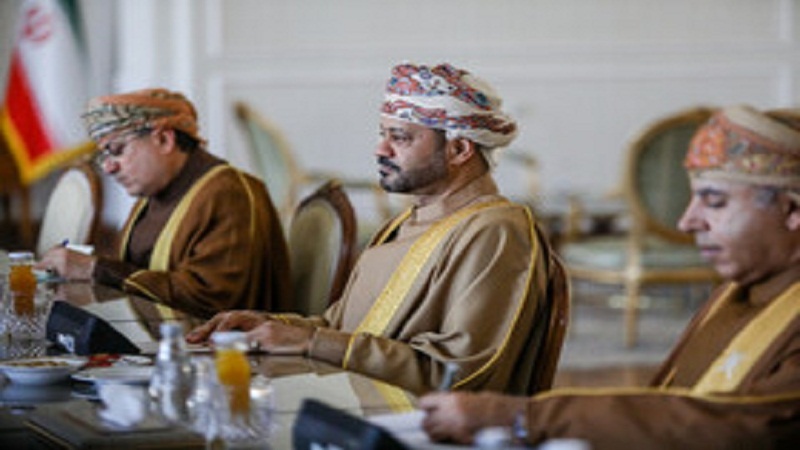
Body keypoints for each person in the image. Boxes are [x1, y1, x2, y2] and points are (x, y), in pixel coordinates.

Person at [419, 104, 800, 449]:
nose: (687, 222)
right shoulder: (740, 289)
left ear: (791, 210)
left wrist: (520, 418)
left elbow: (748, 428)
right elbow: (668, 406)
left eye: (714, 201)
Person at [187, 62, 567, 395]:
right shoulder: (406, 221)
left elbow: (456, 375)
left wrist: (312, 340)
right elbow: (342, 329)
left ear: (459, 150)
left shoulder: (497, 231)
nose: (381, 150)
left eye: (399, 137)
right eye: (383, 134)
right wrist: (271, 325)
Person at [36, 88, 291, 319]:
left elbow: (211, 303)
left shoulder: (229, 193)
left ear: (164, 140)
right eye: (104, 156)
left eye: (118, 150)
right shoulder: (153, 193)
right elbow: (135, 271)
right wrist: (87, 265)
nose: (109, 167)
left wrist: (96, 269)